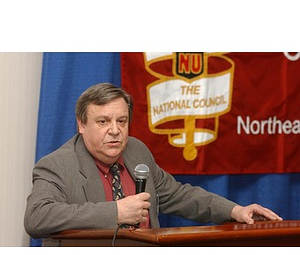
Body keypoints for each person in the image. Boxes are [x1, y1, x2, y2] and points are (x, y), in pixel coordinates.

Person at [24, 83, 282, 246]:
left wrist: (235, 210)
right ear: (81, 125)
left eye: (122, 121)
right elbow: (37, 218)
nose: (115, 131)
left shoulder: (136, 151)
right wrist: (115, 213)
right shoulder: (57, 165)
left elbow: (179, 195)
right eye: (103, 122)